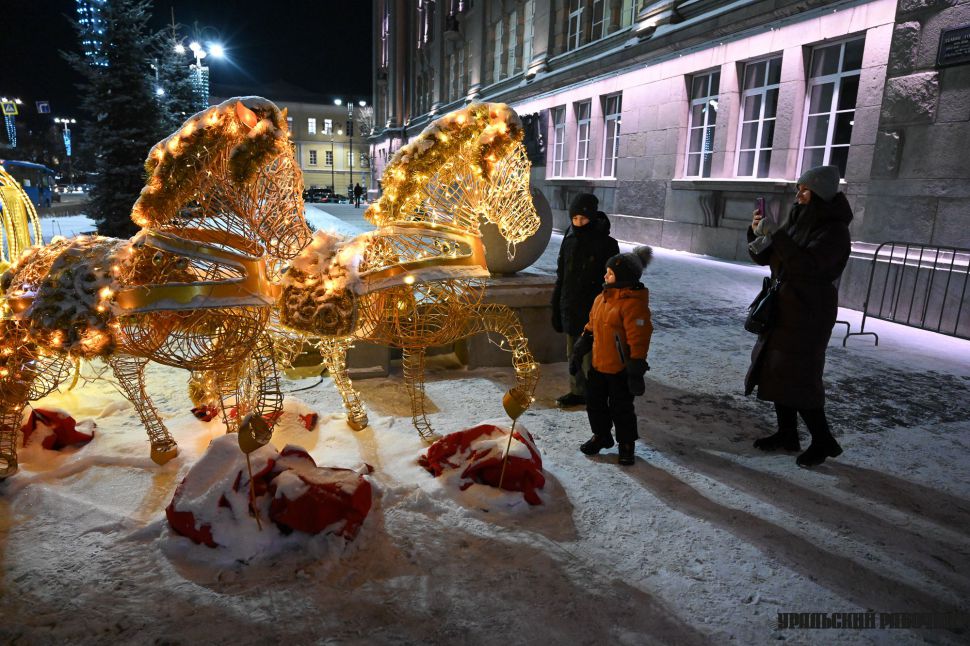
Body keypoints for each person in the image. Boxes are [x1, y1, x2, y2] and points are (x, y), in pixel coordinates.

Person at [745, 165, 853, 467]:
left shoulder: (834, 230)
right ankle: (787, 433)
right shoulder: (798, 218)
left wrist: (777, 234)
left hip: (809, 312)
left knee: (801, 376)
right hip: (785, 306)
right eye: (798, 188)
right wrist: (757, 233)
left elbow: (807, 267)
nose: (799, 195)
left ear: (820, 193)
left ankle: (823, 440)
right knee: (777, 370)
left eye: (805, 190)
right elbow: (767, 258)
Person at [570, 246, 654, 465]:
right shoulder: (602, 299)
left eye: (610, 273)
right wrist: (579, 349)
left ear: (623, 276)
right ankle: (601, 435)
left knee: (621, 409)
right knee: (594, 403)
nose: (605, 276)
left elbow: (639, 337)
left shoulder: (633, 304)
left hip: (620, 370)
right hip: (598, 365)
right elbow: (591, 327)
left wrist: (635, 367)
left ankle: (626, 443)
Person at [551, 193, 619, 408]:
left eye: (583, 218)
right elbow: (562, 274)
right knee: (573, 352)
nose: (579, 223)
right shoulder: (569, 238)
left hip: (594, 307)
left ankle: (596, 394)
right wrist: (556, 304)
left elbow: (612, 281)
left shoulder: (606, 243)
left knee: (593, 354)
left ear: (592, 217)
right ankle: (578, 390)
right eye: (575, 219)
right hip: (571, 304)